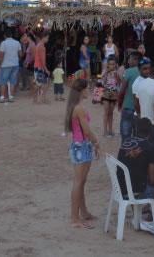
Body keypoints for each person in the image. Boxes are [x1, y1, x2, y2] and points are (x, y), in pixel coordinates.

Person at [64, 78, 99, 229]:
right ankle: (74, 218)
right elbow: (86, 131)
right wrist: (96, 142)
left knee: (81, 181)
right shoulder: (79, 108)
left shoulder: (75, 107)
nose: (89, 91)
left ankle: (83, 212)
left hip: (79, 145)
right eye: (87, 88)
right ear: (82, 90)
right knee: (78, 182)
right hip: (82, 146)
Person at [117, 52, 141, 141]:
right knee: (137, 136)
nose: (128, 61)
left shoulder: (128, 71)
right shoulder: (145, 72)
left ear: (135, 60)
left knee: (126, 136)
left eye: (129, 59)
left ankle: (125, 154)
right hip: (140, 109)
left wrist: (119, 104)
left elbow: (122, 91)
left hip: (128, 106)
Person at [0, 29, 22, 103]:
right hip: (15, 64)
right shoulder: (17, 42)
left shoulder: (3, 43)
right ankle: (11, 97)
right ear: (12, 35)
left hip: (5, 64)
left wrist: (0, 63)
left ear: (5, 35)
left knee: (3, 81)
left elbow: (1, 55)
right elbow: (20, 54)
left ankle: (2, 97)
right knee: (13, 81)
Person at [100, 57, 120, 137]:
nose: (112, 66)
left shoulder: (116, 73)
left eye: (113, 64)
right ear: (107, 65)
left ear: (115, 65)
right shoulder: (104, 72)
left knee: (111, 113)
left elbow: (118, 83)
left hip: (114, 94)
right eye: (110, 64)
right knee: (106, 112)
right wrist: (106, 73)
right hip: (106, 93)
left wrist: (117, 76)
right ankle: (105, 131)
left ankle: (110, 130)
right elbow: (101, 81)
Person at [33, 32, 50, 104]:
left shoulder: (38, 45)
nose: (48, 39)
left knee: (39, 83)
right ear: (44, 37)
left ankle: (37, 99)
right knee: (44, 84)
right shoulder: (42, 47)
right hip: (40, 67)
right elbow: (43, 60)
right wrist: (46, 69)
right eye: (47, 38)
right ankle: (42, 98)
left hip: (37, 66)